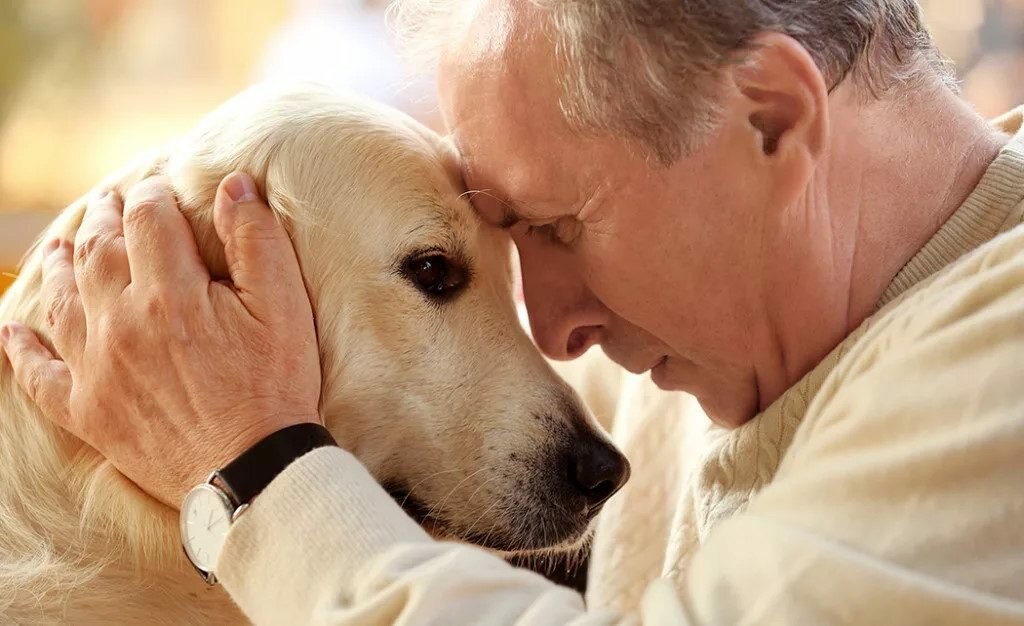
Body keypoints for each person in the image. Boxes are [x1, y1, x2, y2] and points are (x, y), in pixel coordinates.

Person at [2, 0, 1024, 623]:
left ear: (770, 119)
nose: (557, 325)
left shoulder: (999, 361)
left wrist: (252, 470)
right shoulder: (723, 339)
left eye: (560, 225)